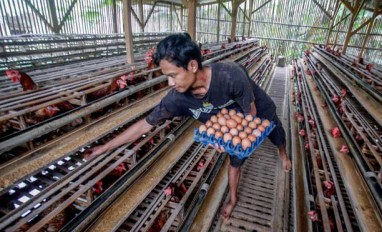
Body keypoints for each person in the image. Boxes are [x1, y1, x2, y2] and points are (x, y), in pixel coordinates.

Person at [84, 33, 291, 219]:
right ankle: (233, 199)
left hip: (257, 110)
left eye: (173, 75)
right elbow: (144, 125)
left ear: (192, 66)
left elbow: (250, 113)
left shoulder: (230, 75)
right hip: (232, 128)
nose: (170, 83)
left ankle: (283, 153)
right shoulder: (177, 99)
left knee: (276, 134)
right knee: (235, 161)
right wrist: (104, 147)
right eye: (167, 77)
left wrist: (231, 133)